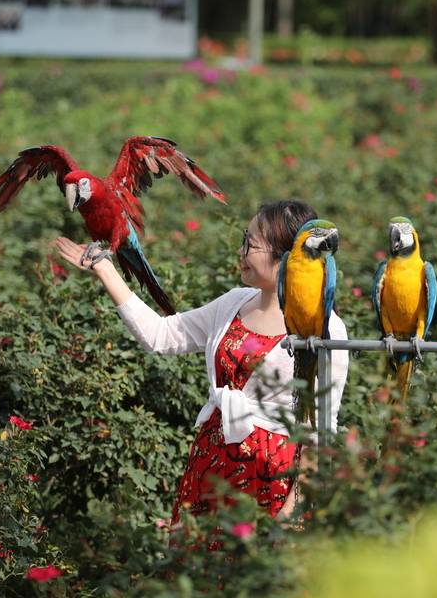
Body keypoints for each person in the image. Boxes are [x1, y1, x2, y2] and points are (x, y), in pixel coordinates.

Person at [52, 201, 349, 528]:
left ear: (285, 257)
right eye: (243, 239)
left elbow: (321, 431)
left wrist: (292, 516)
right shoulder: (234, 303)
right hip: (211, 466)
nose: (241, 251)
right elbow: (162, 336)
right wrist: (104, 268)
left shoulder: (325, 328)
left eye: (250, 243)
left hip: (271, 481)